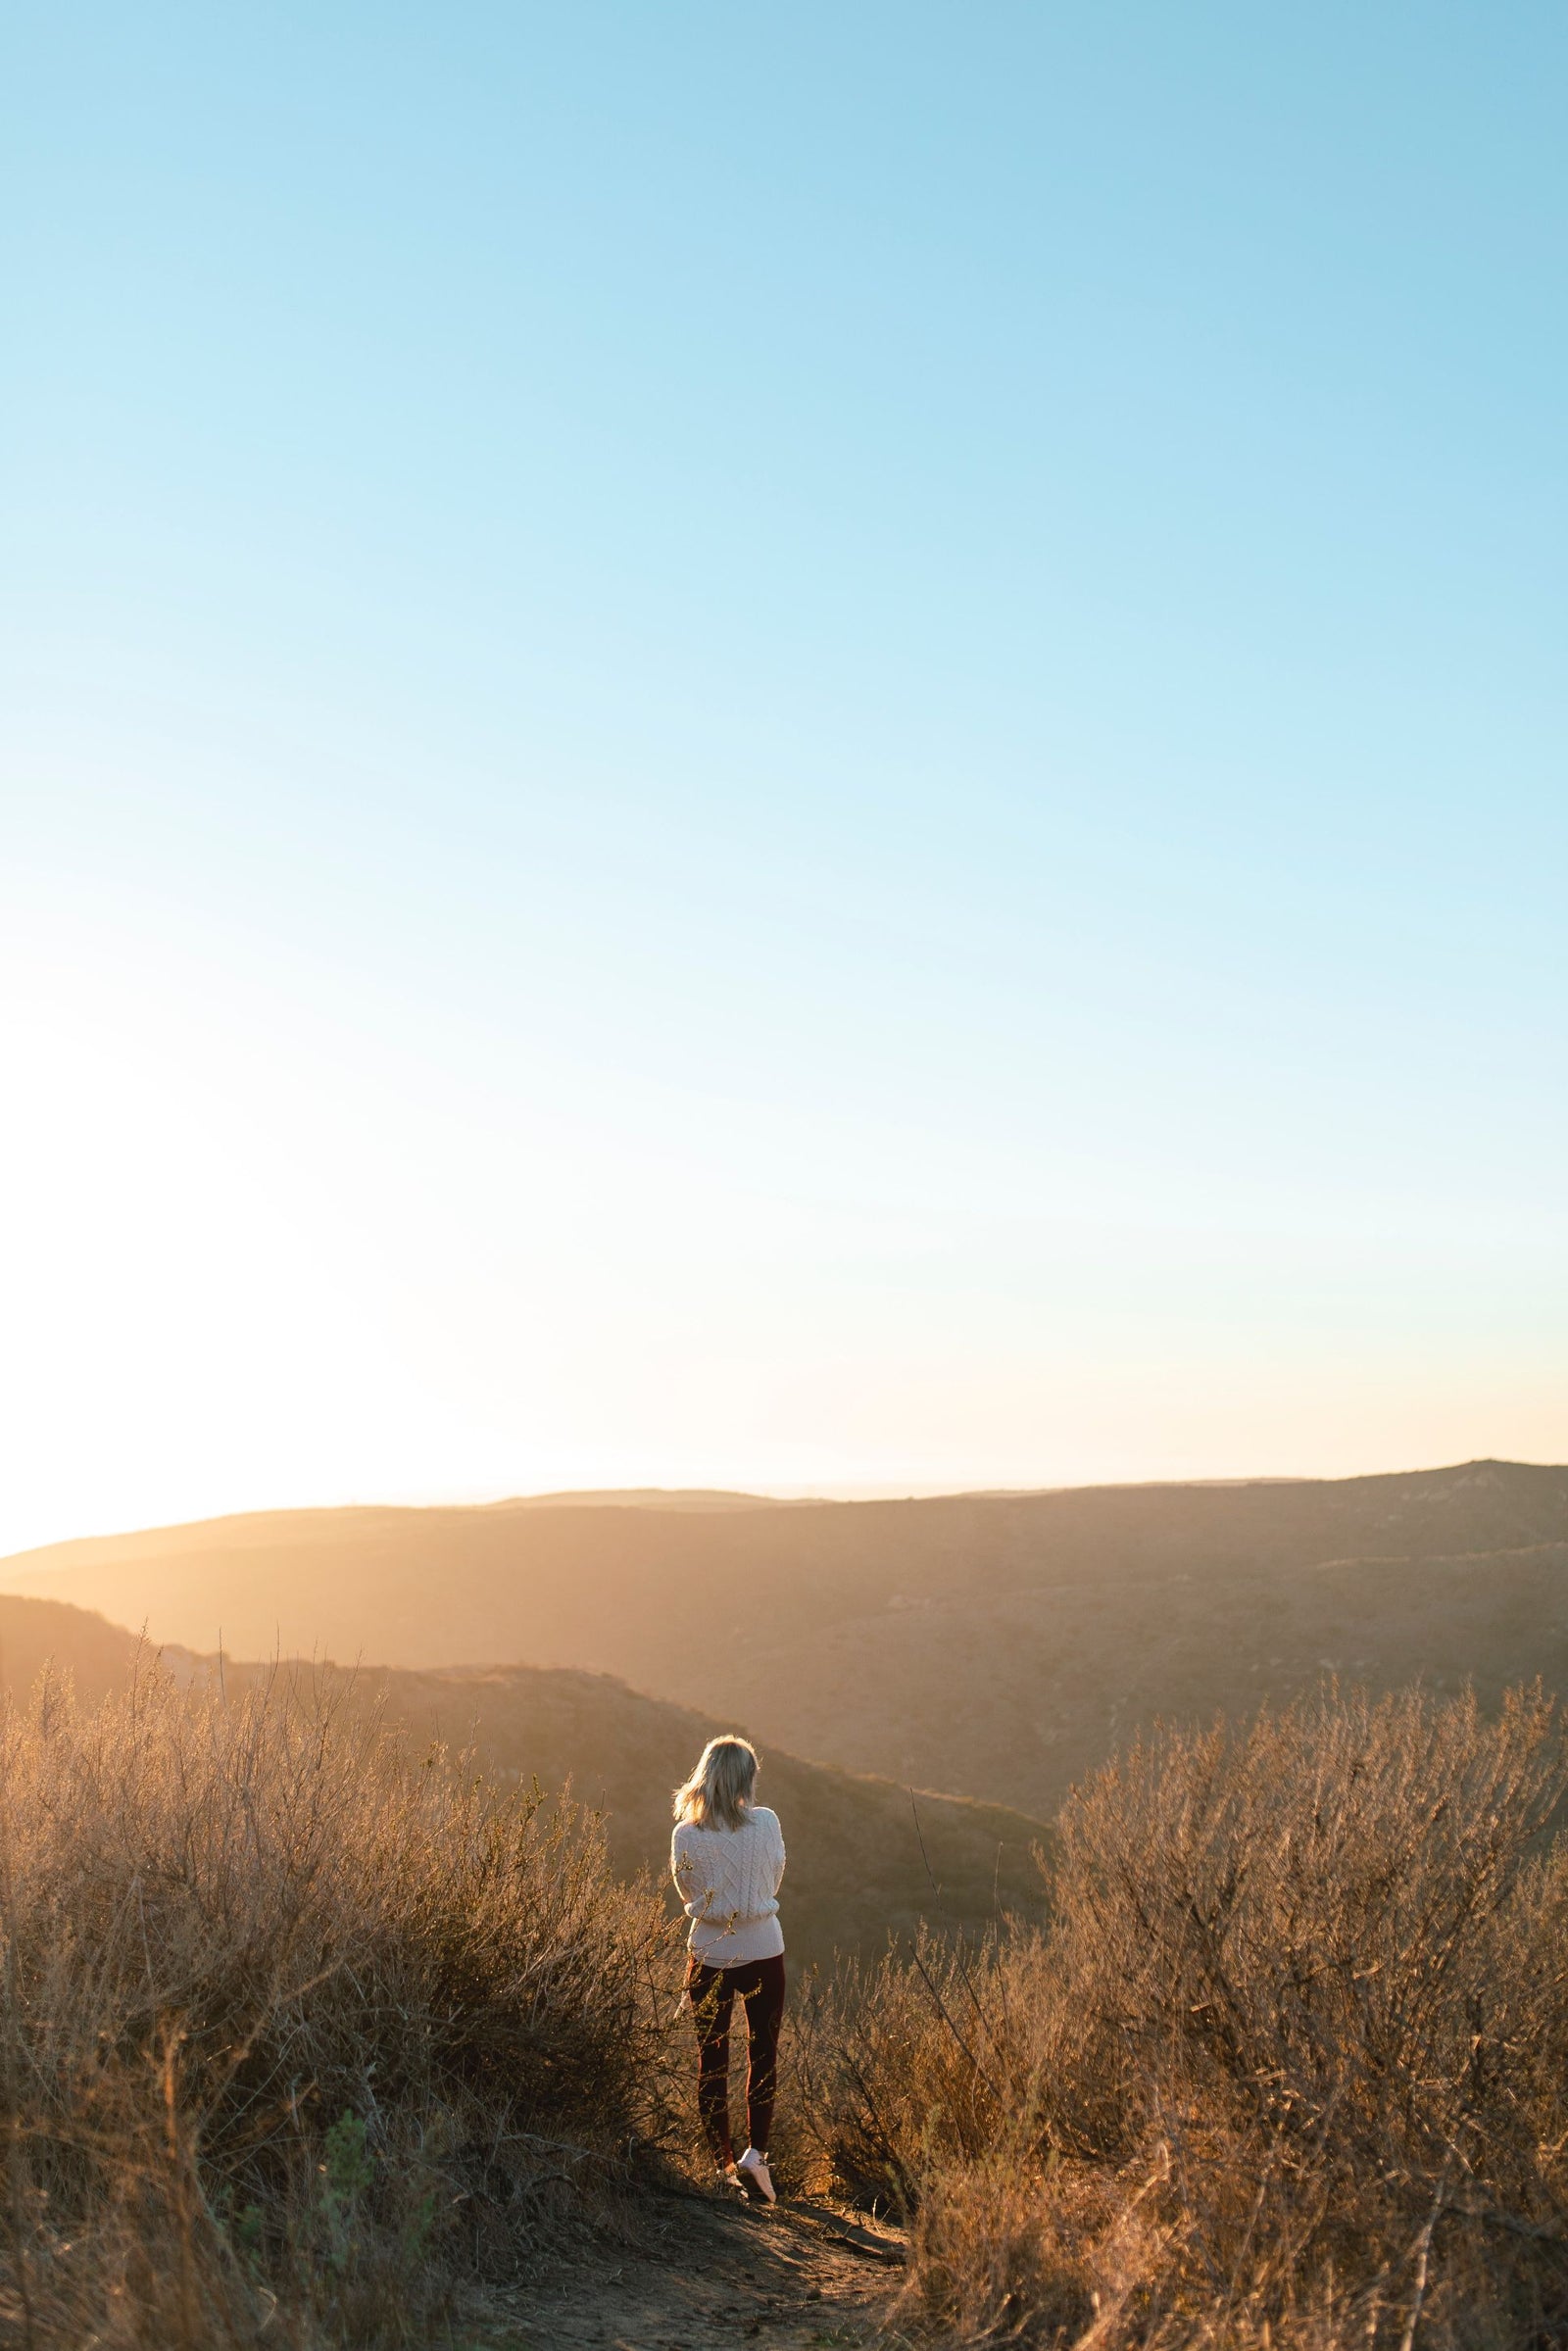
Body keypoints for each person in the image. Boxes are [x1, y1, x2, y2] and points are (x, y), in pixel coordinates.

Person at [670, 1734, 786, 2206]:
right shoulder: (766, 1823)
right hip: (764, 1950)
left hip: (710, 1954)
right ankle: (755, 2156)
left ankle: (722, 2165)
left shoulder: (686, 1833)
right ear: (745, 1779)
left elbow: (686, 1891)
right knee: (764, 2055)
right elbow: (774, 1876)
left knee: (711, 2061)